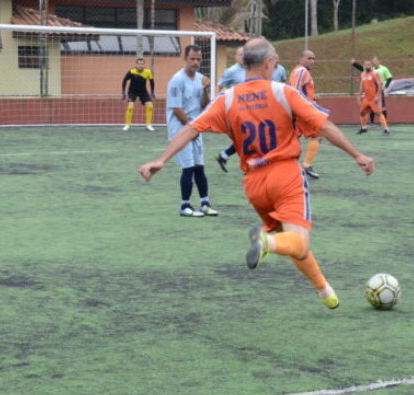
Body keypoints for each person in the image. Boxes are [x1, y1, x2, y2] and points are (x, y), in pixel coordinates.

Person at [140, 37, 374, 309]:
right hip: (285, 176)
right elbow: (324, 126)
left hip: (253, 185)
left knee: (293, 242)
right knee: (296, 241)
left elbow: (192, 128)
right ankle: (266, 243)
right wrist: (357, 155)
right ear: (267, 64)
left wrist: (162, 160)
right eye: (275, 61)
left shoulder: (226, 99)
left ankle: (325, 291)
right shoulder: (282, 92)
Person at [214, 47, 289, 172]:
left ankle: (226, 156)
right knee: (250, 138)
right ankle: (251, 164)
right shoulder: (231, 71)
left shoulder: (256, 69)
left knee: (254, 137)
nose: (243, 57)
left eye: (245, 54)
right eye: (240, 54)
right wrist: (217, 104)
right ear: (235, 56)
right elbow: (219, 86)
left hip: (260, 109)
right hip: (240, 111)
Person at [165, 44, 218, 218]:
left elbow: (205, 104)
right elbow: (177, 109)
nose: (196, 63)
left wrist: (205, 89)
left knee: (199, 167)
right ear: (185, 59)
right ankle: (185, 206)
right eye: (192, 59)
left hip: (195, 129)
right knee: (188, 168)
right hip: (181, 130)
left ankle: (205, 203)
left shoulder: (201, 79)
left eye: (198, 59)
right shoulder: (177, 80)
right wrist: (192, 127)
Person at [289, 50, 322, 179]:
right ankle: (306, 166)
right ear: (301, 58)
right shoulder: (302, 71)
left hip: (300, 109)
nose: (312, 61)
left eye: (313, 58)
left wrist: (313, 97)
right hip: (303, 110)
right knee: (317, 136)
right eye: (309, 58)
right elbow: (295, 91)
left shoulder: (297, 71)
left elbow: (300, 91)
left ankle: (289, 167)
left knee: (292, 140)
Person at [354, 59, 390, 135]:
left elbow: (380, 85)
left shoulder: (375, 73)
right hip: (366, 98)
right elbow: (361, 85)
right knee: (362, 113)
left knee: (378, 113)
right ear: (363, 66)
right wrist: (359, 96)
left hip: (374, 97)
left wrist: (377, 96)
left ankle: (386, 129)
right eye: (366, 64)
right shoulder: (363, 74)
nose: (367, 66)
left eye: (369, 64)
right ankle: (364, 128)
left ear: (371, 65)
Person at [121, 57, 156, 131]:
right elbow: (124, 81)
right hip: (132, 91)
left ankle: (148, 125)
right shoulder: (131, 72)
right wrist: (123, 92)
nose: (140, 65)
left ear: (144, 65)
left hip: (143, 91)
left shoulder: (148, 72)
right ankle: (127, 125)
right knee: (130, 107)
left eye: (142, 64)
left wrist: (152, 92)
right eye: (139, 64)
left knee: (150, 106)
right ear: (136, 64)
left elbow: (152, 82)